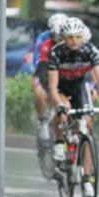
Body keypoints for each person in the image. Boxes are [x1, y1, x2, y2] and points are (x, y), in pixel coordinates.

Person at [46, 17, 99, 197]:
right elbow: (52, 87)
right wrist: (59, 106)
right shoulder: (56, 53)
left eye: (77, 37)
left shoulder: (91, 51)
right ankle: (60, 143)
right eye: (70, 38)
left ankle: (87, 177)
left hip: (79, 87)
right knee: (63, 109)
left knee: (87, 124)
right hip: (61, 87)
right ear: (64, 38)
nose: (74, 41)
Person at [32, 13, 69, 141]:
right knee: (40, 94)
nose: (59, 40)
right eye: (56, 37)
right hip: (44, 68)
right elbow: (39, 64)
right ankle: (43, 120)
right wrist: (43, 85)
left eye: (62, 37)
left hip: (64, 72)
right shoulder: (44, 40)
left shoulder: (71, 40)